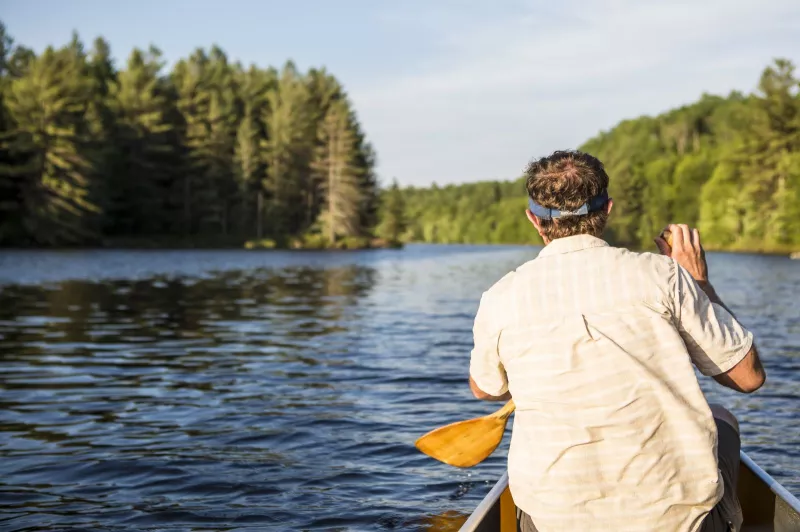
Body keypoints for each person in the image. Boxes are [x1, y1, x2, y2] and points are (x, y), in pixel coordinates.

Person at [468, 150, 766, 532]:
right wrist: (699, 283)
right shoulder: (666, 276)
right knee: (721, 418)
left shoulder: (500, 297)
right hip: (676, 520)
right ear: (607, 210)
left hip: (556, 521)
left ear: (532, 219)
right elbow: (748, 377)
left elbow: (484, 389)